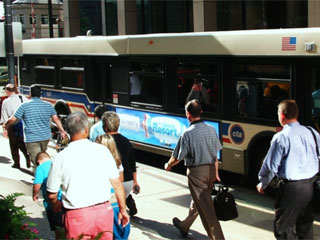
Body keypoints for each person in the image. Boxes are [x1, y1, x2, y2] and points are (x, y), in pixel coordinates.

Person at [46, 112, 129, 239]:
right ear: (86, 129)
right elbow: (117, 184)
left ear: (68, 131)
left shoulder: (60, 158)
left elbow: (51, 194)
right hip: (103, 212)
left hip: (77, 216)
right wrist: (123, 210)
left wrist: (56, 204)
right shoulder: (103, 151)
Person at [257, 99, 319, 239]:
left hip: (292, 189)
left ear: (282, 116)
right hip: (311, 186)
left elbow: (270, 166)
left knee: (283, 229)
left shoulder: (281, 137)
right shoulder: (312, 132)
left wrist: (263, 183)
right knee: (305, 227)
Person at [164, 99, 224, 240]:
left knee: (207, 211)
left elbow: (178, 157)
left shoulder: (187, 133)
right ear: (201, 112)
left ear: (188, 114)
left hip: (197, 173)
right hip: (210, 171)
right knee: (200, 202)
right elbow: (215, 155)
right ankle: (184, 226)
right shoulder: (211, 129)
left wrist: (168, 165)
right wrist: (216, 173)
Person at [3, 85, 67, 173]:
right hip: (45, 137)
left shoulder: (24, 105)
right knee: (42, 155)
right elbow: (56, 119)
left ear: (30, 93)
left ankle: (41, 180)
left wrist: (5, 125)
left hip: (32, 138)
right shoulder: (48, 105)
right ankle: (44, 175)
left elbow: (13, 119)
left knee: (37, 160)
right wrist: (62, 130)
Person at [102, 111, 140, 217]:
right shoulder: (126, 141)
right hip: (128, 182)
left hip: (112, 182)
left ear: (105, 127)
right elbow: (132, 163)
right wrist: (135, 182)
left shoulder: (103, 141)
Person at [96, 134, 130, 240]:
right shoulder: (118, 162)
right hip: (115, 200)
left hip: (104, 201)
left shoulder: (97, 162)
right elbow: (121, 181)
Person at [32, 151, 64, 239]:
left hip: (52, 201)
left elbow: (37, 183)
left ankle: (58, 237)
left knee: (56, 224)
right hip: (64, 198)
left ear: (38, 162)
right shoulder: (56, 163)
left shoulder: (40, 168)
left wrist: (34, 194)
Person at [0, 84, 31, 169]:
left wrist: (5, 127)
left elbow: (4, 116)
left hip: (12, 124)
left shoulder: (6, 101)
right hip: (23, 123)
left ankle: (16, 163)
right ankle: (28, 157)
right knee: (22, 143)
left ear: (7, 90)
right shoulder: (22, 97)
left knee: (13, 145)